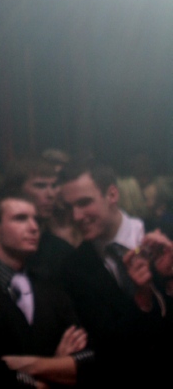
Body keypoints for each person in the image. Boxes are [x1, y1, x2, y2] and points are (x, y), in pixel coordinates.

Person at [0, 191, 94, 387]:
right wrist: (58, 366)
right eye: (20, 218)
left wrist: (33, 365)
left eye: (36, 220)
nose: (34, 227)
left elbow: (89, 360)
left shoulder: (49, 287)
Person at [58, 159, 172, 384]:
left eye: (84, 202)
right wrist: (141, 298)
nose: (76, 216)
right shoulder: (74, 268)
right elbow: (106, 346)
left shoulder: (166, 234)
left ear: (112, 195)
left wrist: (170, 277)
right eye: (69, 207)